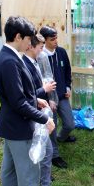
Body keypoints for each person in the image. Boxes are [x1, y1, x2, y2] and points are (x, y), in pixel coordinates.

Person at [0, 16, 55, 186]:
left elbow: (15, 94)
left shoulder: (7, 56)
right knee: (28, 177)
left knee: (10, 173)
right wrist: (44, 119)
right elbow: (18, 102)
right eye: (28, 39)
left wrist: (35, 99)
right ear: (18, 37)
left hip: (11, 126)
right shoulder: (9, 61)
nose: (30, 44)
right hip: (19, 128)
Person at [23, 34, 56, 186]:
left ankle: (45, 185)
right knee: (42, 152)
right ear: (31, 46)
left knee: (46, 151)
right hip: (33, 116)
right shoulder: (24, 65)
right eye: (41, 47)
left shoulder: (34, 62)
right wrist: (44, 90)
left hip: (39, 110)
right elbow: (25, 96)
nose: (42, 51)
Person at [39, 26, 76, 169]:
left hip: (62, 95)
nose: (56, 41)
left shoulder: (60, 52)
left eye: (56, 38)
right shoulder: (40, 56)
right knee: (52, 127)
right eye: (52, 39)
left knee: (70, 124)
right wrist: (47, 99)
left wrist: (67, 87)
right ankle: (54, 155)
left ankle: (62, 137)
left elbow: (67, 70)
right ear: (44, 40)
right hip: (48, 100)